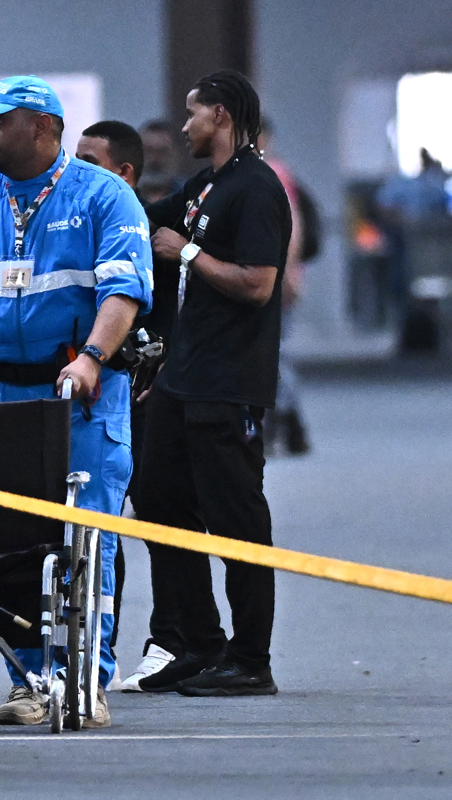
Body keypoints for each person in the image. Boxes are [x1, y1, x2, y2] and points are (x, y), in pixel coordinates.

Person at [0, 76, 153, 728]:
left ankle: (82, 680)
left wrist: (94, 358)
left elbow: (122, 290)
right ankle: (27, 680)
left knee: (84, 535)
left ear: (41, 126)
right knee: (10, 540)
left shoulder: (105, 197)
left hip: (81, 396)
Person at [134, 70, 290, 697]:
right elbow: (149, 224)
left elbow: (259, 284)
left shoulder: (256, 188)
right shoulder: (206, 185)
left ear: (220, 115)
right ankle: (200, 642)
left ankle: (252, 659)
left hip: (229, 382)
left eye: (193, 114)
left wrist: (190, 255)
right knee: (158, 498)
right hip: (183, 377)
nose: (185, 126)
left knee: (236, 518)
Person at [74, 120, 145, 687]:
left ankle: (95, 666)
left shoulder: (128, 218)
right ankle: (35, 669)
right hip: (46, 394)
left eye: (90, 161)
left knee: (106, 531)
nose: (80, 170)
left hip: (114, 394)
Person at [257, 118, 311, 456]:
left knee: (275, 353)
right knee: (272, 352)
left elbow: (292, 227)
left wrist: (288, 274)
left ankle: (288, 419)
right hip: (272, 276)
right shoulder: (263, 174)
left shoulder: (274, 173)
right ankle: (286, 421)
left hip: (277, 279)